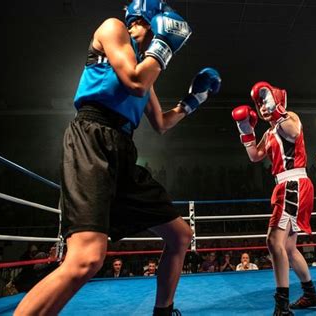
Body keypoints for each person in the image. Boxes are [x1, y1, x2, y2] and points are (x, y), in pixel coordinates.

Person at [15, 1, 221, 315]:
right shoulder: (113, 28)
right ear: (151, 21)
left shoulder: (143, 65)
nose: (155, 39)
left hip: (122, 149)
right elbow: (136, 83)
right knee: (86, 259)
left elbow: (161, 123)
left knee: (180, 236)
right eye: (157, 32)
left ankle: (163, 311)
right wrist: (165, 46)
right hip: (92, 137)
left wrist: (192, 101)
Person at [232, 81, 316, 315]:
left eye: (265, 100)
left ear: (277, 98)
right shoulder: (269, 132)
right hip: (286, 185)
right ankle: (310, 293)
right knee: (289, 248)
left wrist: (275, 108)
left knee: (274, 242)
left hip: (294, 183)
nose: (261, 106)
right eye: (259, 103)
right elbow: (255, 156)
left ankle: (281, 305)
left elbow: (293, 131)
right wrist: (245, 129)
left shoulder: (290, 117)